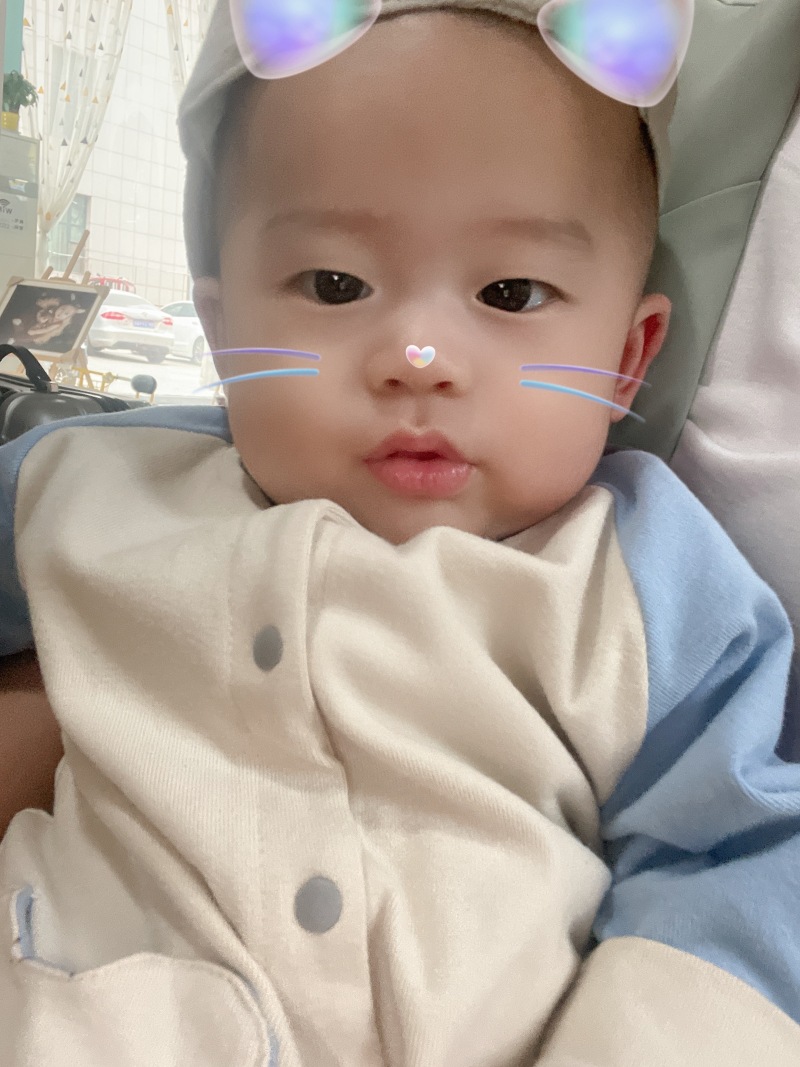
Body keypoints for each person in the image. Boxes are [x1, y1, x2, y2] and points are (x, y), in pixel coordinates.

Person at [1, 2, 799, 1063]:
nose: (418, 356)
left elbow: (739, 852)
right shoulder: (80, 486)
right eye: (336, 285)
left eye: (510, 291)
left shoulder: (644, 585)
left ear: (626, 358)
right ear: (223, 332)